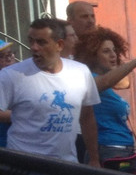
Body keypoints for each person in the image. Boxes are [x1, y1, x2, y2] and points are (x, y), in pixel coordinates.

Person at [0, 17, 101, 165]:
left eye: (41, 42)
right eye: (31, 41)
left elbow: (87, 117)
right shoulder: (11, 75)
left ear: (59, 45)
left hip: (66, 165)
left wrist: (94, 159)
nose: (34, 47)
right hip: (23, 166)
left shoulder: (80, 72)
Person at [74, 26, 136, 164]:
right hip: (108, 151)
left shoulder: (107, 82)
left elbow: (118, 80)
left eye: (114, 50)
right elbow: (106, 81)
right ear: (92, 56)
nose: (113, 55)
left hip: (122, 149)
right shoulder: (90, 80)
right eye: (106, 51)